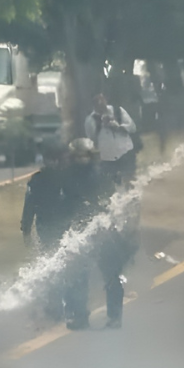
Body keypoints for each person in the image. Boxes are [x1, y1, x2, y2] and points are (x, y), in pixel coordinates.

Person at [61, 137, 137, 329]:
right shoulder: (67, 177)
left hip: (103, 231)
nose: (81, 159)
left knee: (111, 275)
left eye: (84, 156)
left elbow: (111, 202)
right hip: (79, 233)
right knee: (77, 276)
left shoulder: (101, 175)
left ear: (90, 156)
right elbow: (65, 206)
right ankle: (79, 315)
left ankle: (115, 316)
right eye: (77, 156)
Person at [20, 138, 69, 321]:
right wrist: (25, 229)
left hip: (63, 227)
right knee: (56, 265)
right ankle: (56, 305)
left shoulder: (66, 178)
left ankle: (61, 304)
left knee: (60, 265)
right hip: (49, 227)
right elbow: (29, 205)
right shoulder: (39, 180)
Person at [84, 93, 137, 186]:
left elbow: (132, 127)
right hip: (107, 158)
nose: (101, 103)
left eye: (102, 100)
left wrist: (119, 127)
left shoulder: (118, 111)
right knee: (113, 186)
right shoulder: (90, 120)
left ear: (106, 99)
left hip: (126, 152)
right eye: (97, 101)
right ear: (93, 104)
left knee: (131, 181)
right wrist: (100, 125)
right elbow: (91, 140)